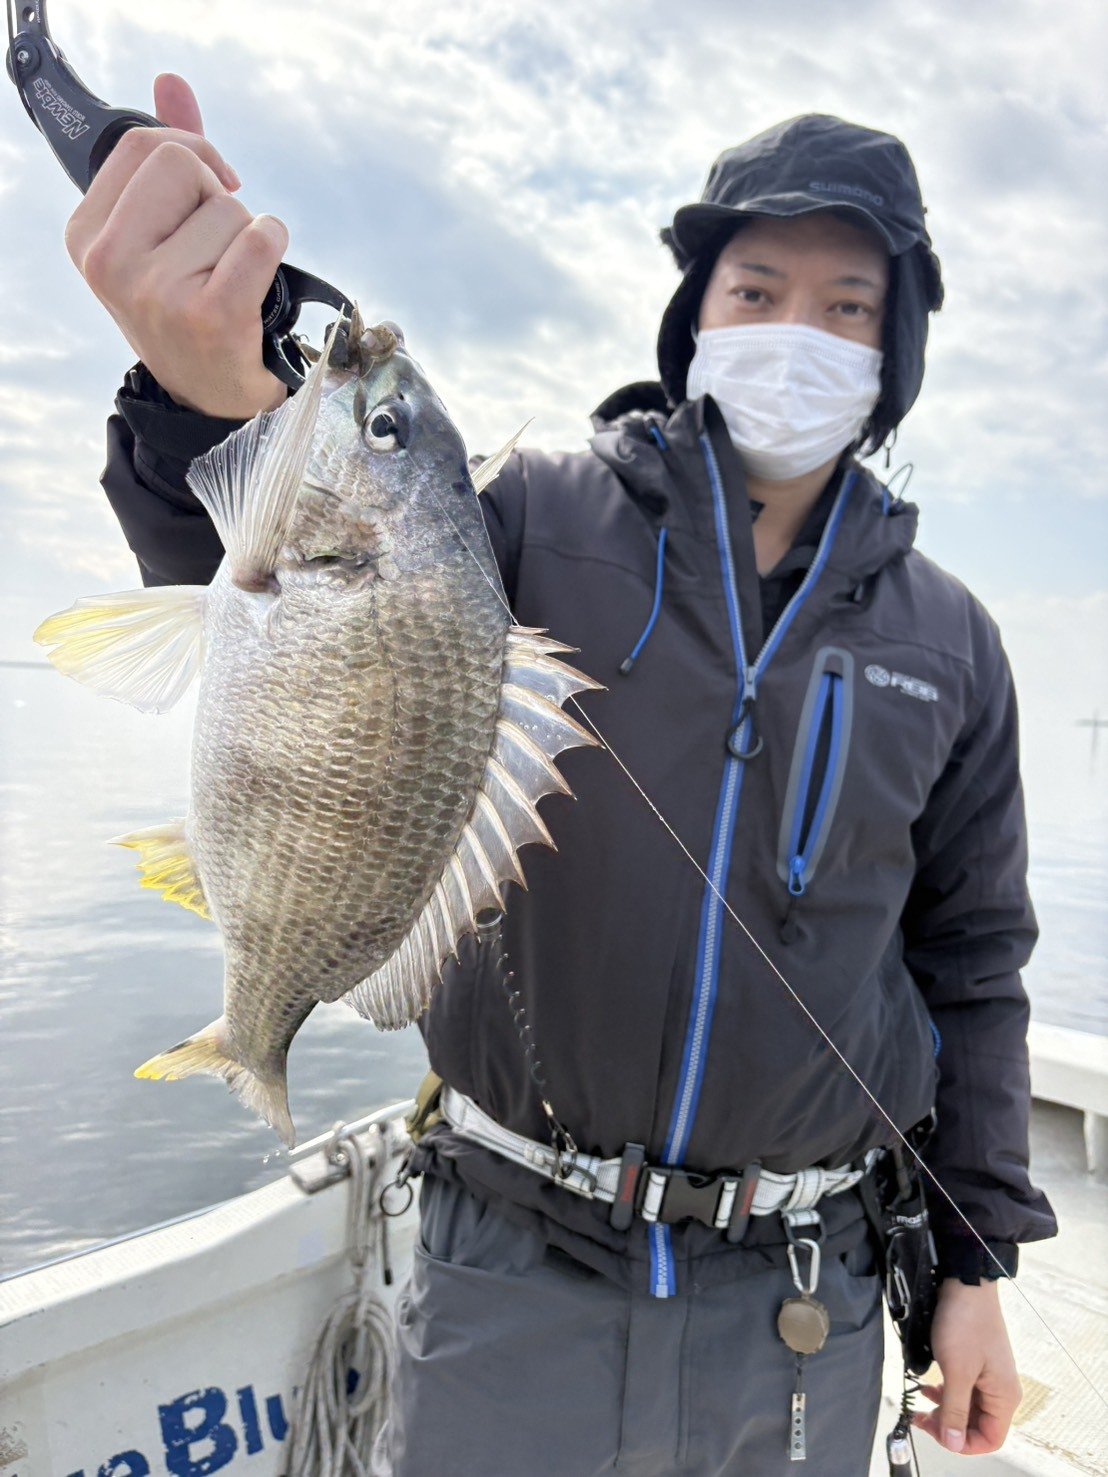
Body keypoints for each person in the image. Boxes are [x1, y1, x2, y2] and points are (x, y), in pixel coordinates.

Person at [66, 79, 1057, 1474]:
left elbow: (973, 963)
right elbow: (302, 608)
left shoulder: (950, 639)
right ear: (694, 319)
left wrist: (975, 1262)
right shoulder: (529, 514)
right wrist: (209, 398)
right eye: (756, 291)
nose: (797, 333)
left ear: (896, 352)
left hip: (802, 1301)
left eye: (848, 308)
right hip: (508, 1262)